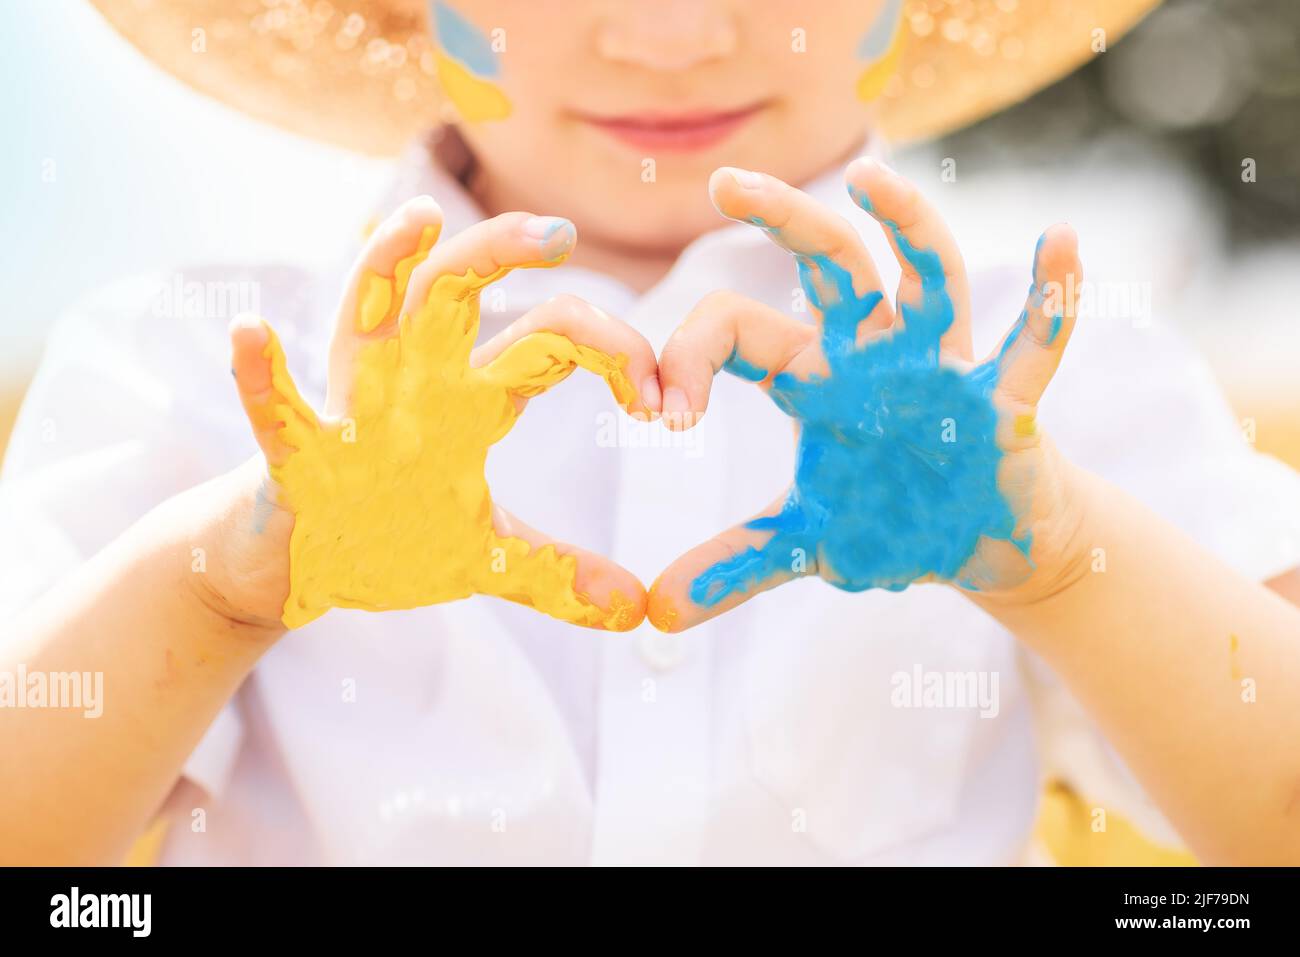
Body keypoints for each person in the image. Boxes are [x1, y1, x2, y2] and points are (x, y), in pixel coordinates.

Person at [3, 0, 1298, 866]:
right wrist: (221, 587)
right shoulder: (216, 364)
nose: (673, 35)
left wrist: (1064, 561)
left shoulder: (1023, 371)